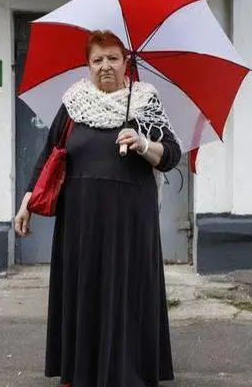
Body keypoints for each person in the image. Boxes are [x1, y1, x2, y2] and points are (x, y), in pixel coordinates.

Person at [14, 30, 180, 387]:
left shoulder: (146, 103)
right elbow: (49, 155)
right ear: (88, 66)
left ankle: (128, 372)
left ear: (126, 64)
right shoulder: (74, 104)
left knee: (126, 291)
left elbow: (172, 155)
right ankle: (81, 371)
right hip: (81, 222)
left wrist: (143, 143)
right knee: (84, 290)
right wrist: (27, 200)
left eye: (113, 58)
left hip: (131, 224)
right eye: (97, 60)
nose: (106, 66)